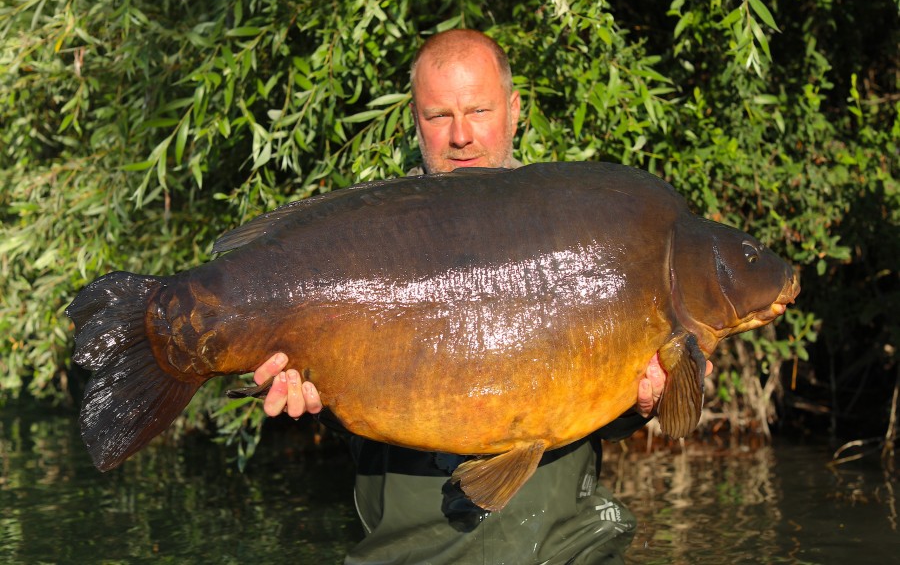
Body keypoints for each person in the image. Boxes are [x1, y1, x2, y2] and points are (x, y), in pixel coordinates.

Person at [251, 30, 710, 564]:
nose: (461, 135)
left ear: (514, 111)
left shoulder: (578, 226)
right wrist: (314, 402)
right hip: (412, 549)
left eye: (478, 109)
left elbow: (599, 402)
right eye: (439, 115)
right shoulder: (368, 239)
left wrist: (643, 403)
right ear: (415, 121)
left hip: (564, 547)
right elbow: (353, 412)